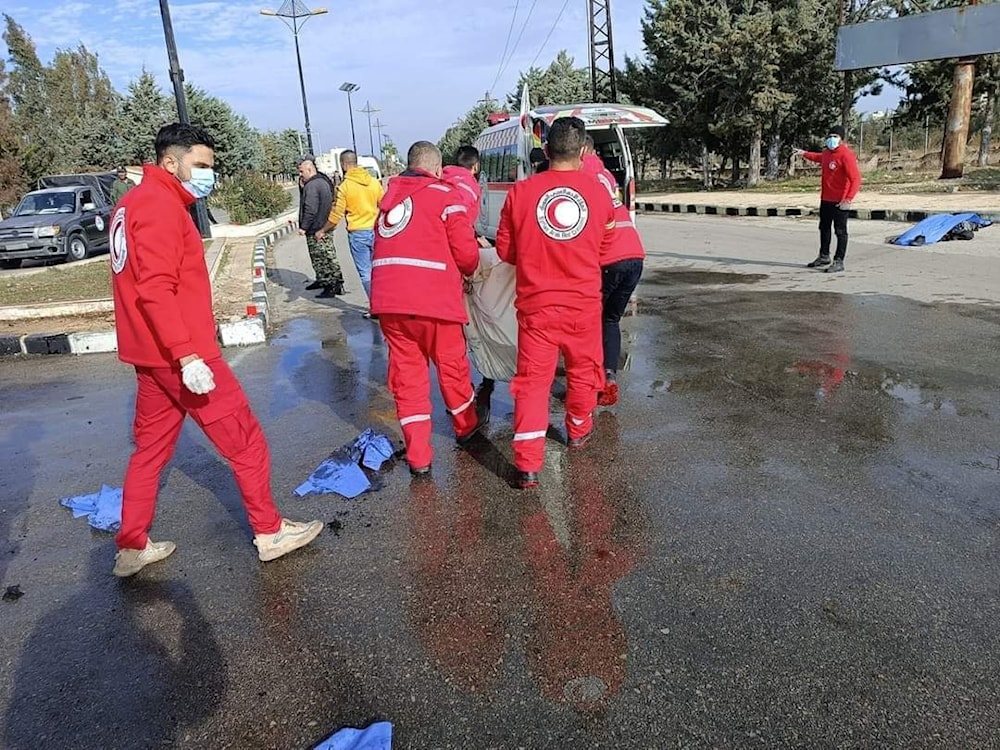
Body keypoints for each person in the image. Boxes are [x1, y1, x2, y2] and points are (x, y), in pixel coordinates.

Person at [109, 123, 323, 578]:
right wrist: (187, 356)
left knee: (149, 451)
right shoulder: (159, 206)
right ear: (171, 161)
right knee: (245, 441)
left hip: (150, 357)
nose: (207, 174)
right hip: (182, 356)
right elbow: (155, 290)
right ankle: (269, 532)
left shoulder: (129, 205)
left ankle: (131, 545)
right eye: (200, 165)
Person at [495, 117, 615, 489]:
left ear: (546, 151)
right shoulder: (599, 193)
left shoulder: (521, 192)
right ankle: (578, 430)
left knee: (532, 383)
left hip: (536, 308)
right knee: (583, 373)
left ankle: (528, 465)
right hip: (582, 306)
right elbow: (605, 248)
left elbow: (505, 249)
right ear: (582, 152)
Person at [370, 140, 486, 476]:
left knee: (408, 381)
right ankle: (465, 428)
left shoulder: (389, 200)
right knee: (452, 369)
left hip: (390, 304)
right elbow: (466, 255)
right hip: (435, 302)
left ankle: (419, 459)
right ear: (437, 169)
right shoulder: (445, 197)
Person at [581, 135, 645, 407]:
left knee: (591, 319)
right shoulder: (604, 173)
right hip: (634, 253)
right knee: (610, 319)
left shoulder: (580, 173)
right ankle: (609, 377)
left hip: (610, 257)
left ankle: (590, 380)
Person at [316, 150, 383, 314]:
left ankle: (376, 309)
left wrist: (323, 230)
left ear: (344, 164)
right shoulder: (374, 183)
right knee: (380, 271)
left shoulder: (345, 187)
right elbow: (384, 205)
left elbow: (336, 214)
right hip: (376, 231)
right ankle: (387, 305)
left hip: (358, 234)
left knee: (365, 273)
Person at [795, 125, 861, 274]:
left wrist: (848, 199)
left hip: (840, 201)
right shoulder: (826, 153)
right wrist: (804, 153)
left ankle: (839, 260)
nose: (832, 139)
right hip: (826, 199)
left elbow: (856, 179)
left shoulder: (846, 155)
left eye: (835, 137)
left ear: (842, 139)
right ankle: (824, 256)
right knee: (824, 228)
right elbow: (817, 157)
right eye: (830, 136)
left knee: (840, 231)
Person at [297, 155, 343, 297]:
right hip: (322, 226)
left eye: (301, 172)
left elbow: (310, 209)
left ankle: (333, 285)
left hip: (318, 228)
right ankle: (323, 280)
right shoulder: (322, 180)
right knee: (319, 258)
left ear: (309, 169)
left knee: (325, 257)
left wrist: (303, 227)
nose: (300, 175)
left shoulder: (312, 185)